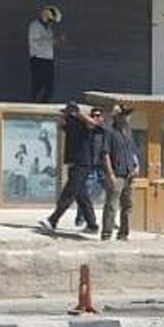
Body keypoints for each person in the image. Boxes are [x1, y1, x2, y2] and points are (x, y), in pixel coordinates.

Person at [39, 102, 100, 234]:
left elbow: (93, 124)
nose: (65, 116)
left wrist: (77, 114)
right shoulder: (70, 125)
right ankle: (92, 225)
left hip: (82, 164)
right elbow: (61, 124)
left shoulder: (84, 125)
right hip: (73, 164)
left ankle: (52, 220)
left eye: (67, 114)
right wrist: (66, 116)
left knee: (69, 193)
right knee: (82, 196)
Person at [101, 107, 140, 242]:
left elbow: (133, 153)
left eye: (128, 115)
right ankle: (106, 234)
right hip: (117, 175)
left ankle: (123, 234)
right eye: (124, 115)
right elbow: (105, 154)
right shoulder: (110, 132)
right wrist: (110, 174)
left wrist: (135, 167)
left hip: (128, 175)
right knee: (111, 205)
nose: (127, 118)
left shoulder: (128, 134)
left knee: (127, 206)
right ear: (117, 117)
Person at [28, 5, 62, 103]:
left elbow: (49, 42)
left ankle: (43, 104)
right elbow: (35, 41)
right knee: (37, 84)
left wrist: (57, 41)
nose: (51, 22)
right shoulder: (35, 25)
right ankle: (33, 103)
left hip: (48, 59)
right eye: (50, 20)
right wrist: (52, 40)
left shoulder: (48, 28)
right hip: (38, 58)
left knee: (49, 85)